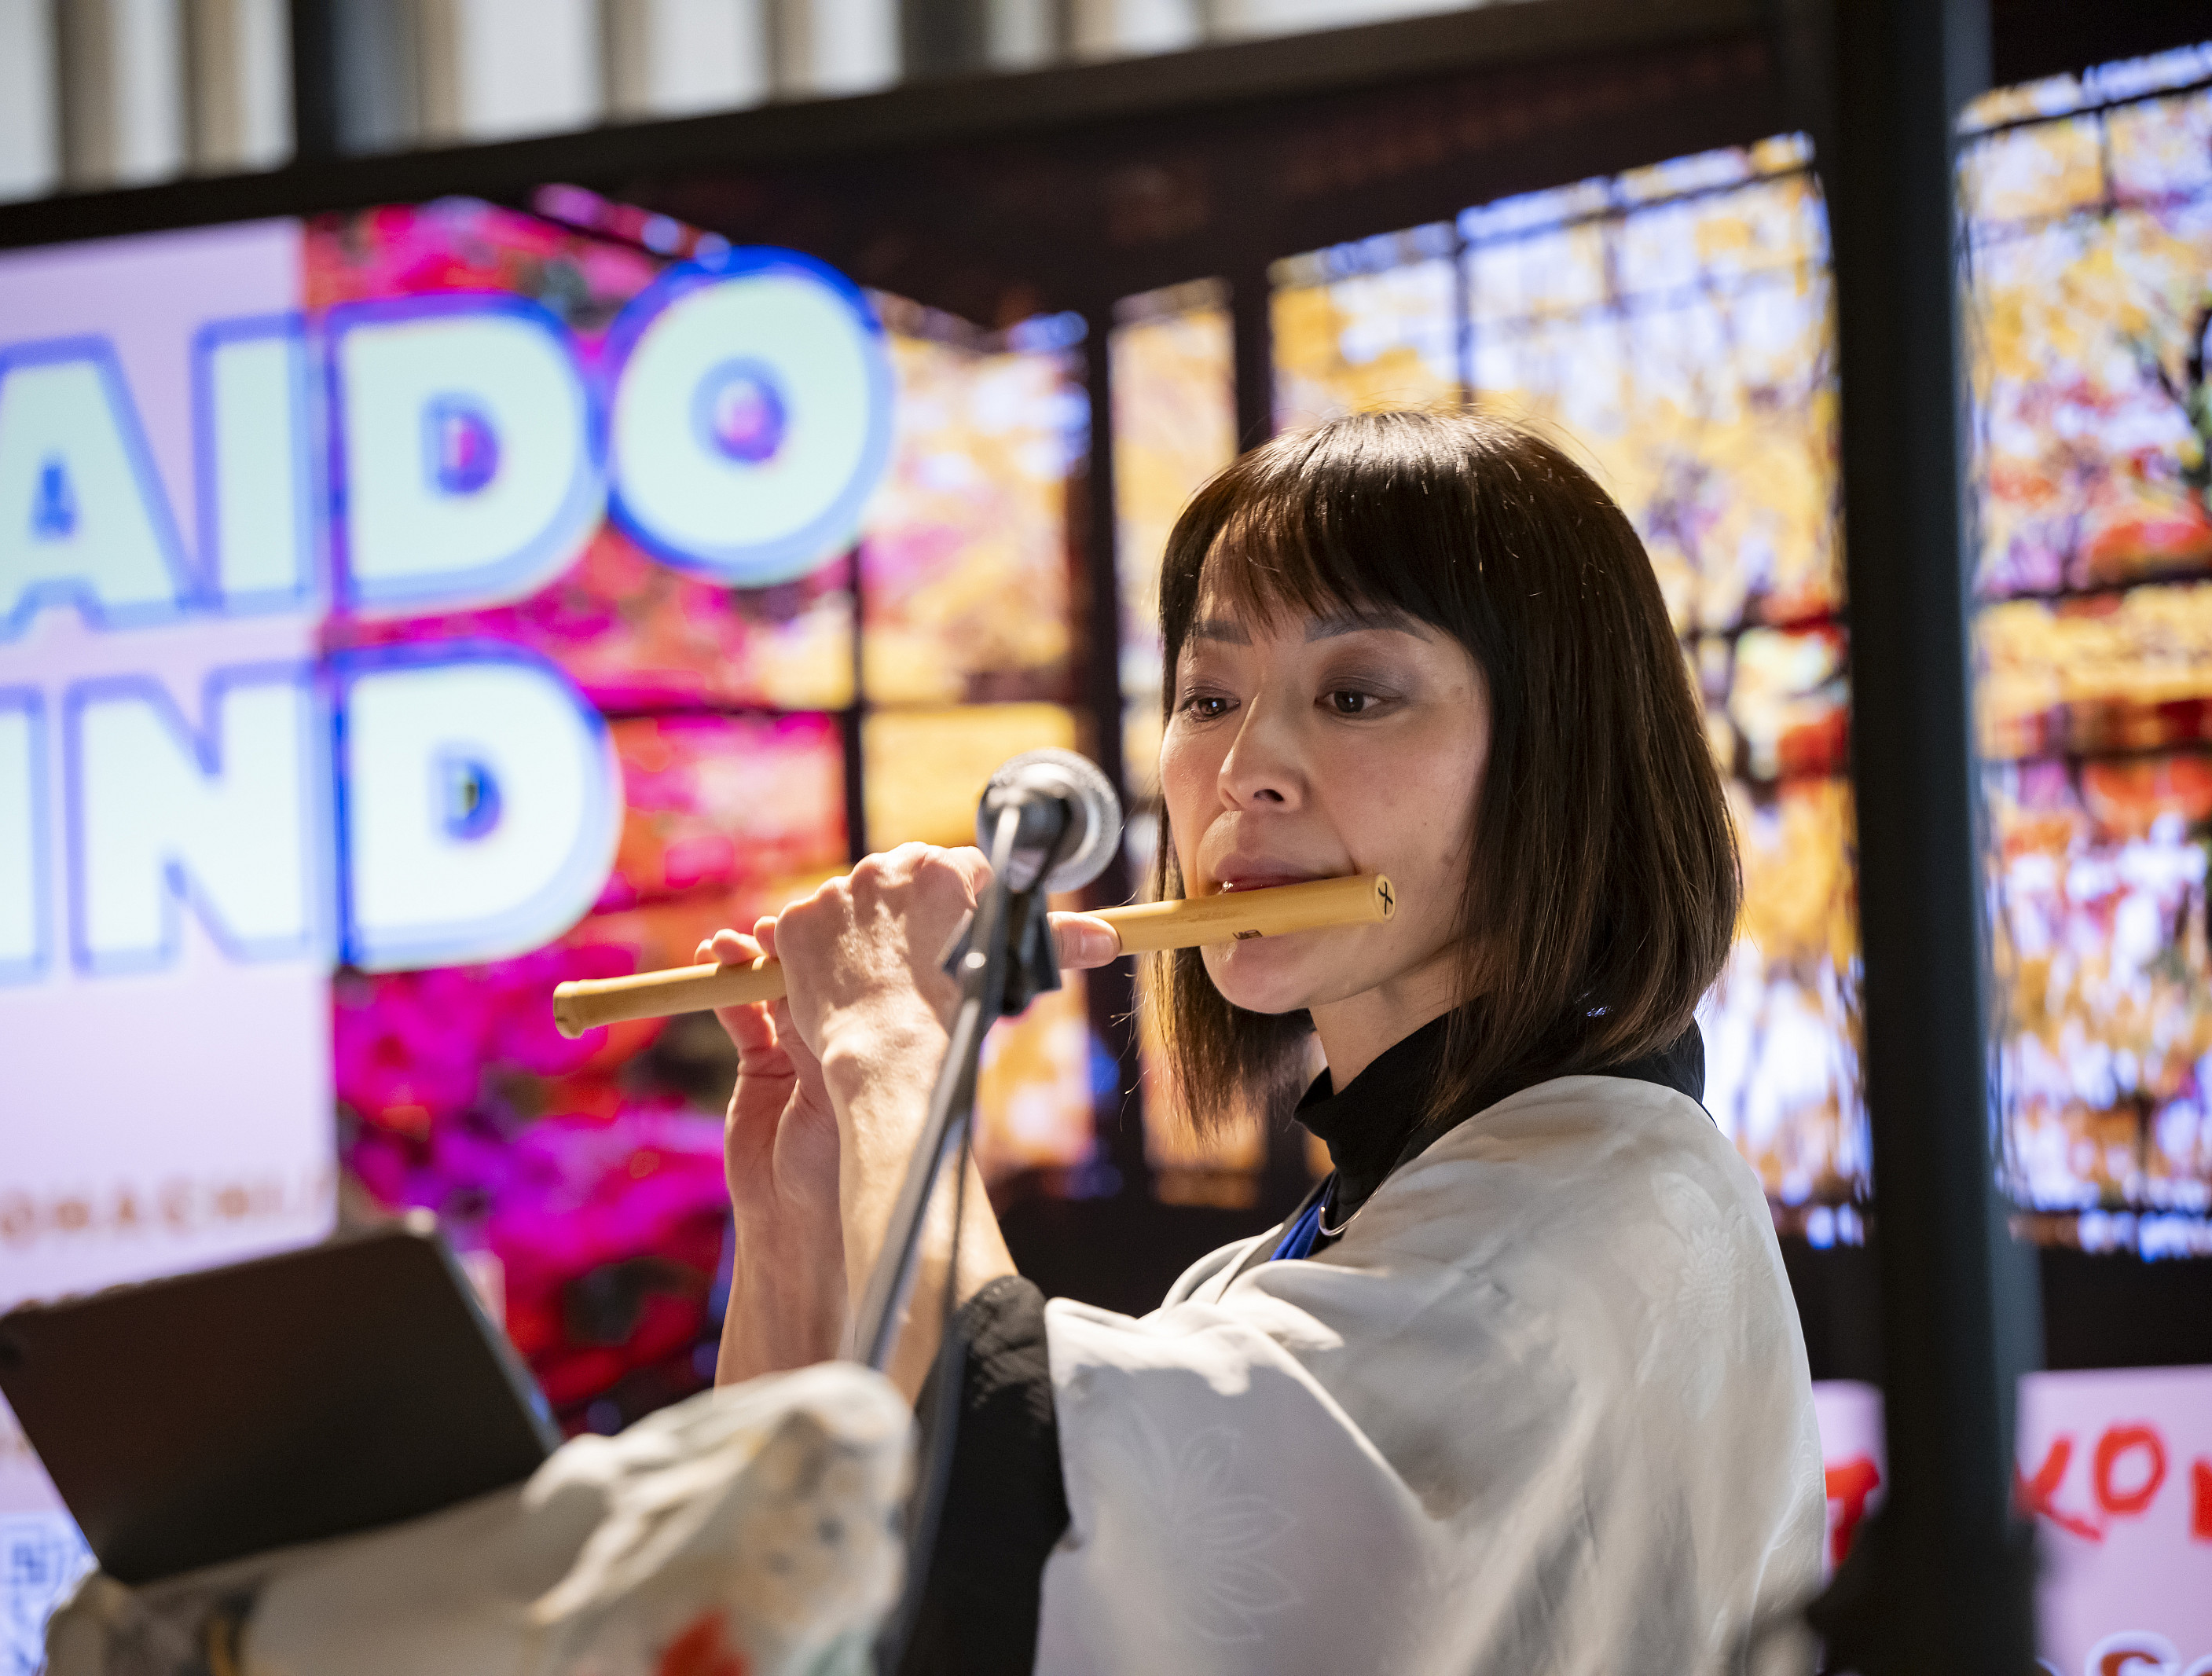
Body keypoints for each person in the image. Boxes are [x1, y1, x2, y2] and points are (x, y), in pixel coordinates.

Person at [698, 409, 1824, 1674]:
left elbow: (1019, 1493)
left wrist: (894, 1062)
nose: (1244, 769)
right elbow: (794, 1588)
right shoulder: (1280, 1273)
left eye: (1354, 693)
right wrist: (803, 1191)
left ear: (1558, 758)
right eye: (1209, 696)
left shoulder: (1608, 1209)